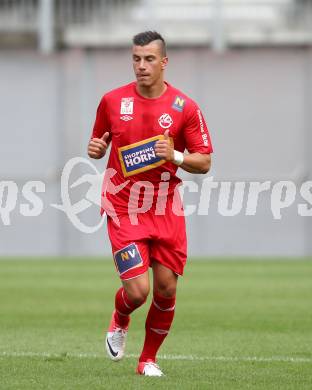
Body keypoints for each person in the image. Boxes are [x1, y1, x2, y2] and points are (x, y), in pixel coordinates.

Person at [88, 31, 213, 377]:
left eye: (149, 59)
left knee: (166, 288)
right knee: (139, 291)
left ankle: (147, 360)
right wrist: (96, 150)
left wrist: (174, 154)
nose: (141, 66)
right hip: (124, 206)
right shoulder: (112, 101)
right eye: (136, 59)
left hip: (165, 208)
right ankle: (120, 318)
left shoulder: (184, 107)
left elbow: (204, 160)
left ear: (164, 62)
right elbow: (98, 141)